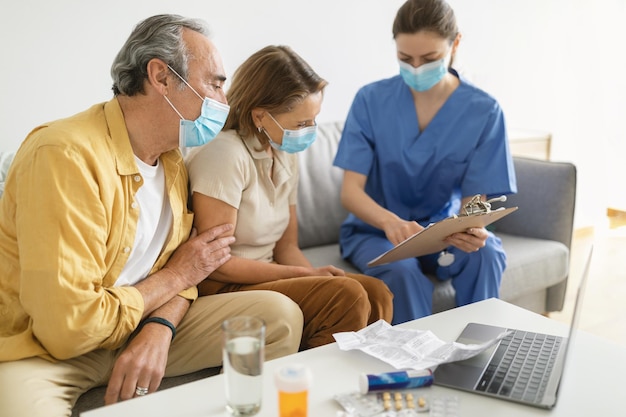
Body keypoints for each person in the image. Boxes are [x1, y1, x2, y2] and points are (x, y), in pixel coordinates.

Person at [0, 15, 304, 417]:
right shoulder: (64, 156)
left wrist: (160, 328)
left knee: (277, 317)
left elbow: (192, 270)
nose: (226, 102)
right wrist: (176, 276)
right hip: (47, 348)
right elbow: (69, 330)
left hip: (139, 322)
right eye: (215, 82)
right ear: (161, 77)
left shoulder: (173, 160)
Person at [185, 45, 394, 350]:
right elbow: (216, 264)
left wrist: (313, 276)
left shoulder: (284, 153)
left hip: (268, 275)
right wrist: (303, 275)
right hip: (224, 284)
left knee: (376, 292)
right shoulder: (224, 155)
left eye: (314, 120)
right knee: (346, 296)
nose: (311, 131)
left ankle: (359, 379)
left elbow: (287, 246)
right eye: (301, 124)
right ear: (260, 115)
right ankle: (317, 385)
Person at [333, 0, 517, 325]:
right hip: (376, 231)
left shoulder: (483, 111)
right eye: (405, 59)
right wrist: (390, 222)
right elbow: (351, 192)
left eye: (430, 59)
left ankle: (478, 358)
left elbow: (475, 201)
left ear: (455, 44)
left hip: (440, 230)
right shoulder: (370, 101)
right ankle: (418, 369)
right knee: (401, 271)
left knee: (487, 254)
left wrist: (470, 228)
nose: (416, 68)